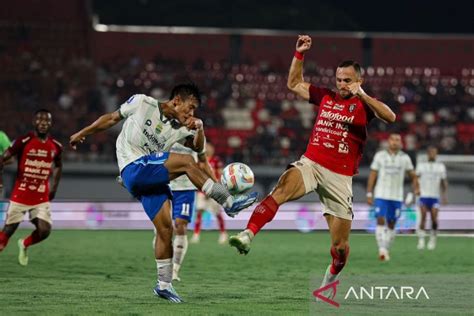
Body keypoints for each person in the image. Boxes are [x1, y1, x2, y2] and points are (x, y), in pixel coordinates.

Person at [229, 35, 396, 300]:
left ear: (358, 81)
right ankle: (248, 234)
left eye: (347, 80)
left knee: (340, 248)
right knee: (282, 188)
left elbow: (391, 116)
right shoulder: (325, 96)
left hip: (340, 177)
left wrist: (362, 94)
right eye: (339, 79)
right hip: (312, 162)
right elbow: (293, 83)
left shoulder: (363, 105)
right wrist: (299, 55)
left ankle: (328, 281)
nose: (341, 84)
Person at [70, 84, 257, 303]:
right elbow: (112, 118)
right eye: (190, 107)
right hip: (133, 166)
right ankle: (227, 201)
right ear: (177, 100)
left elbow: (197, 149)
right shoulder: (142, 103)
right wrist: (83, 133)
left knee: (166, 229)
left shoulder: (182, 127)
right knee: (186, 163)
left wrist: (199, 128)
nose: (191, 114)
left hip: (147, 176)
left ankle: (164, 285)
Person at [0, 109, 63, 266]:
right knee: (8, 230)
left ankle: (25, 243)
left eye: (47, 121)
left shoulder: (56, 146)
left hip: (40, 197)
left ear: (51, 124)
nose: (43, 124)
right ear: (34, 122)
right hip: (20, 195)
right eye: (40, 121)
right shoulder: (24, 140)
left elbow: (58, 166)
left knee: (44, 230)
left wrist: (53, 188)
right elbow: (5, 157)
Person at [367, 133, 419, 261]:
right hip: (381, 194)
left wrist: (415, 190)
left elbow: (413, 176)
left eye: (397, 140)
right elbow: (373, 174)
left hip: (396, 196)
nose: (395, 142)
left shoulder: (405, 158)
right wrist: (369, 193)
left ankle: (386, 248)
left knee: (391, 223)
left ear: (401, 143)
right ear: (388, 141)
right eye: (393, 140)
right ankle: (382, 250)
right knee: (380, 219)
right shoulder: (380, 156)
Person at [191, 143, 228, 244]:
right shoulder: (200, 161)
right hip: (202, 191)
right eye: (206, 147)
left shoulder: (216, 160)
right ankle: (196, 234)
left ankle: (223, 234)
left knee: (217, 213)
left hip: (214, 191)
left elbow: (220, 175)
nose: (208, 149)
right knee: (199, 212)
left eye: (210, 147)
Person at [416, 146, 447, 250]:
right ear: (428, 154)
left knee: (434, 218)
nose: (433, 154)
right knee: (423, 216)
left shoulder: (440, 167)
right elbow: (416, 179)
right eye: (431, 152)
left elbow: (443, 182)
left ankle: (433, 238)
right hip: (423, 196)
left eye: (435, 153)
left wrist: (444, 195)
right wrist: (416, 190)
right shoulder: (421, 166)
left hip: (435, 196)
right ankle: (421, 240)